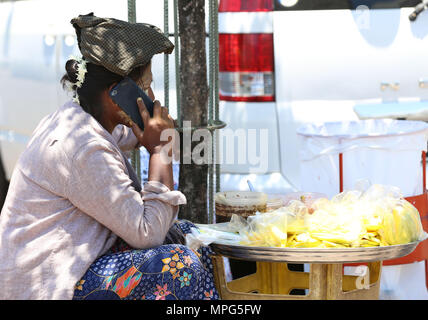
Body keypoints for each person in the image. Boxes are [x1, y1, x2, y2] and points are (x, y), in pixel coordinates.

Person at [0, 13, 219, 300]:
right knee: (179, 265)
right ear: (117, 92)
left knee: (193, 236)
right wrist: (160, 152)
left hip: (83, 262)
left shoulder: (90, 120)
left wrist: (159, 128)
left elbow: (138, 136)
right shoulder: (80, 146)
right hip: (49, 285)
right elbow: (147, 233)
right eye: (146, 85)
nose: (151, 95)